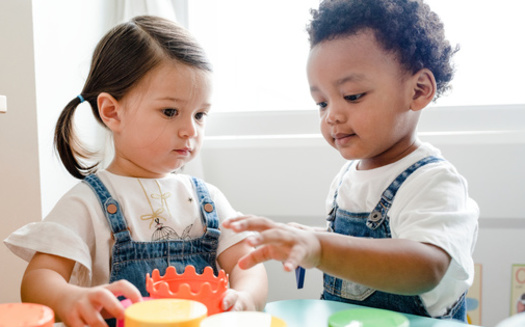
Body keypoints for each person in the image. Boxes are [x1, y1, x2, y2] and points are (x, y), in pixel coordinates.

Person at [224, 0, 478, 322]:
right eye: (321, 102)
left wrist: (321, 247)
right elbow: (357, 247)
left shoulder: (433, 182)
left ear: (418, 90)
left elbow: (426, 266)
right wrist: (304, 239)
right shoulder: (347, 177)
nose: (332, 115)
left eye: (353, 96)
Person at [4, 16, 267, 327]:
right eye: (170, 111)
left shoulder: (207, 198)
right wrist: (69, 299)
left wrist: (246, 297)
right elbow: (39, 279)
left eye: (200, 114)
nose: (190, 129)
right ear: (112, 112)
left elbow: (248, 264)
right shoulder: (87, 202)